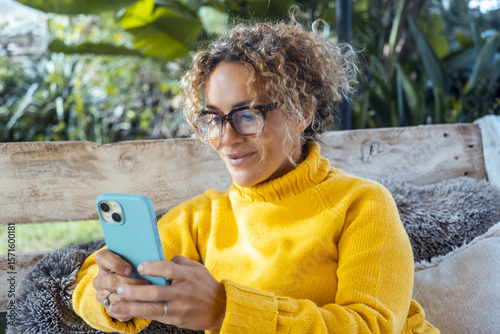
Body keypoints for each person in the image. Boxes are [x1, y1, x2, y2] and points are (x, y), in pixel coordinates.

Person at [72, 16, 440, 334]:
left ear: (302, 113)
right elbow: (86, 286)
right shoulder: (204, 217)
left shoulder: (361, 203)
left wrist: (225, 310)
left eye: (247, 115)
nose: (226, 137)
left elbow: (371, 326)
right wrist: (108, 295)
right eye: (213, 117)